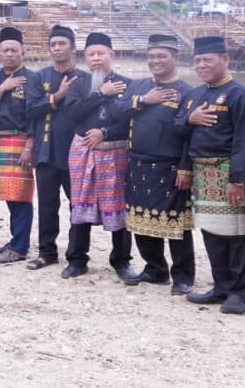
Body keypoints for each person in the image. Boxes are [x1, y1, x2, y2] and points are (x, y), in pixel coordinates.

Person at [112, 34, 195, 294]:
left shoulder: (187, 92)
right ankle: (155, 269)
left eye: (161, 56)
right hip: (137, 163)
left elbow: (190, 134)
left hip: (171, 167)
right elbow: (117, 112)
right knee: (140, 220)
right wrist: (143, 100)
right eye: (151, 56)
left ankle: (183, 276)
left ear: (176, 58)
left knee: (176, 224)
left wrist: (186, 167)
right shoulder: (138, 86)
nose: (155, 61)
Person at [174, 36, 245, 313]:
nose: (201, 65)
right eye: (197, 61)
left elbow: (242, 140)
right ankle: (221, 287)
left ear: (225, 59)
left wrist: (238, 179)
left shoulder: (239, 94)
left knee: (237, 235)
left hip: (229, 174)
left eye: (207, 60)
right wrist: (189, 120)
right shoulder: (194, 95)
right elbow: (180, 132)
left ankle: (240, 293)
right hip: (203, 175)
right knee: (212, 232)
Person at [60, 32, 136, 281]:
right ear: (85, 58)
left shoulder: (127, 84)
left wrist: (104, 133)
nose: (96, 58)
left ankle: (122, 261)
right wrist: (100, 94)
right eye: (91, 54)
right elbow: (72, 114)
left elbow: (131, 121)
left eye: (101, 53)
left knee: (118, 206)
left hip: (116, 152)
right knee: (79, 203)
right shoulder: (79, 85)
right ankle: (77, 259)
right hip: (83, 151)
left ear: (111, 56)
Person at [25, 25, 88, 271]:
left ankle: (77, 257)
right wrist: (58, 96)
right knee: (47, 205)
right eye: (53, 44)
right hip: (46, 152)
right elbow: (31, 110)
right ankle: (47, 252)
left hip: (77, 154)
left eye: (62, 44)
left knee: (77, 207)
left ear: (73, 48)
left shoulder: (85, 79)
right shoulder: (39, 77)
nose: (57, 48)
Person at [0, 27, 37, 264]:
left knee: (21, 196)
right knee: (9, 194)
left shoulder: (32, 78)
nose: (9, 54)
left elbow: (36, 116)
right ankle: (16, 239)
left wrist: (29, 147)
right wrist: (3, 88)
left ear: (22, 53)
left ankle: (19, 248)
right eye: (5, 50)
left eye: (14, 50)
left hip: (20, 141)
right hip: (0, 140)